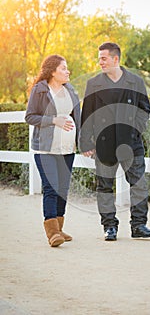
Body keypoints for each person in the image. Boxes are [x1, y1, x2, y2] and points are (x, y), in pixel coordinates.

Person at [79, 42, 150, 241]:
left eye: (104, 58)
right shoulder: (93, 83)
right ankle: (109, 227)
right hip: (104, 143)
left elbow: (144, 109)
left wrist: (135, 130)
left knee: (139, 184)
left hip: (131, 143)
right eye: (99, 59)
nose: (100, 62)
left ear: (116, 59)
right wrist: (86, 143)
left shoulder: (135, 82)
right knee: (105, 186)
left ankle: (139, 225)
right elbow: (86, 114)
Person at [25, 54, 80, 247]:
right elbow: (30, 117)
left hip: (67, 148)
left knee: (63, 189)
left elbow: (77, 118)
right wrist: (53, 120)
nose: (67, 71)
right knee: (51, 187)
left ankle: (59, 228)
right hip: (46, 149)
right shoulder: (40, 90)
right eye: (64, 68)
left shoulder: (70, 90)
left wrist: (83, 142)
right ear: (53, 71)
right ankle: (52, 233)